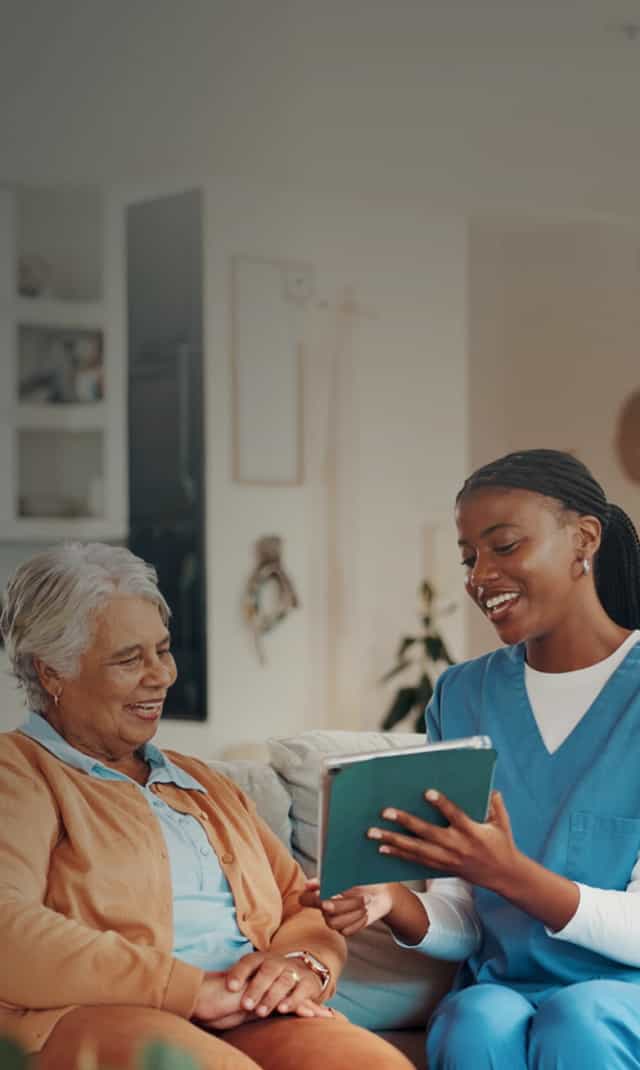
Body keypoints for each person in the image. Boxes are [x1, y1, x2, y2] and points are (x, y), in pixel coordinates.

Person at [0, 542, 412, 1070]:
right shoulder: (19, 771)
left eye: (163, 650)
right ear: (52, 672)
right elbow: (7, 927)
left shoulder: (199, 781)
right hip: (102, 1015)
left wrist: (302, 967)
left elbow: (297, 901)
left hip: (249, 1012)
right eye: (129, 659)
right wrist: (191, 990)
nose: (161, 676)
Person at [303, 448, 640, 1068]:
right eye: (468, 556)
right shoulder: (461, 695)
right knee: (474, 1019)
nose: (480, 576)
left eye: (504, 547)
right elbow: (464, 912)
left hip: (625, 997)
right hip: (504, 987)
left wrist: (510, 873)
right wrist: (391, 903)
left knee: (581, 1021)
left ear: (583, 540)